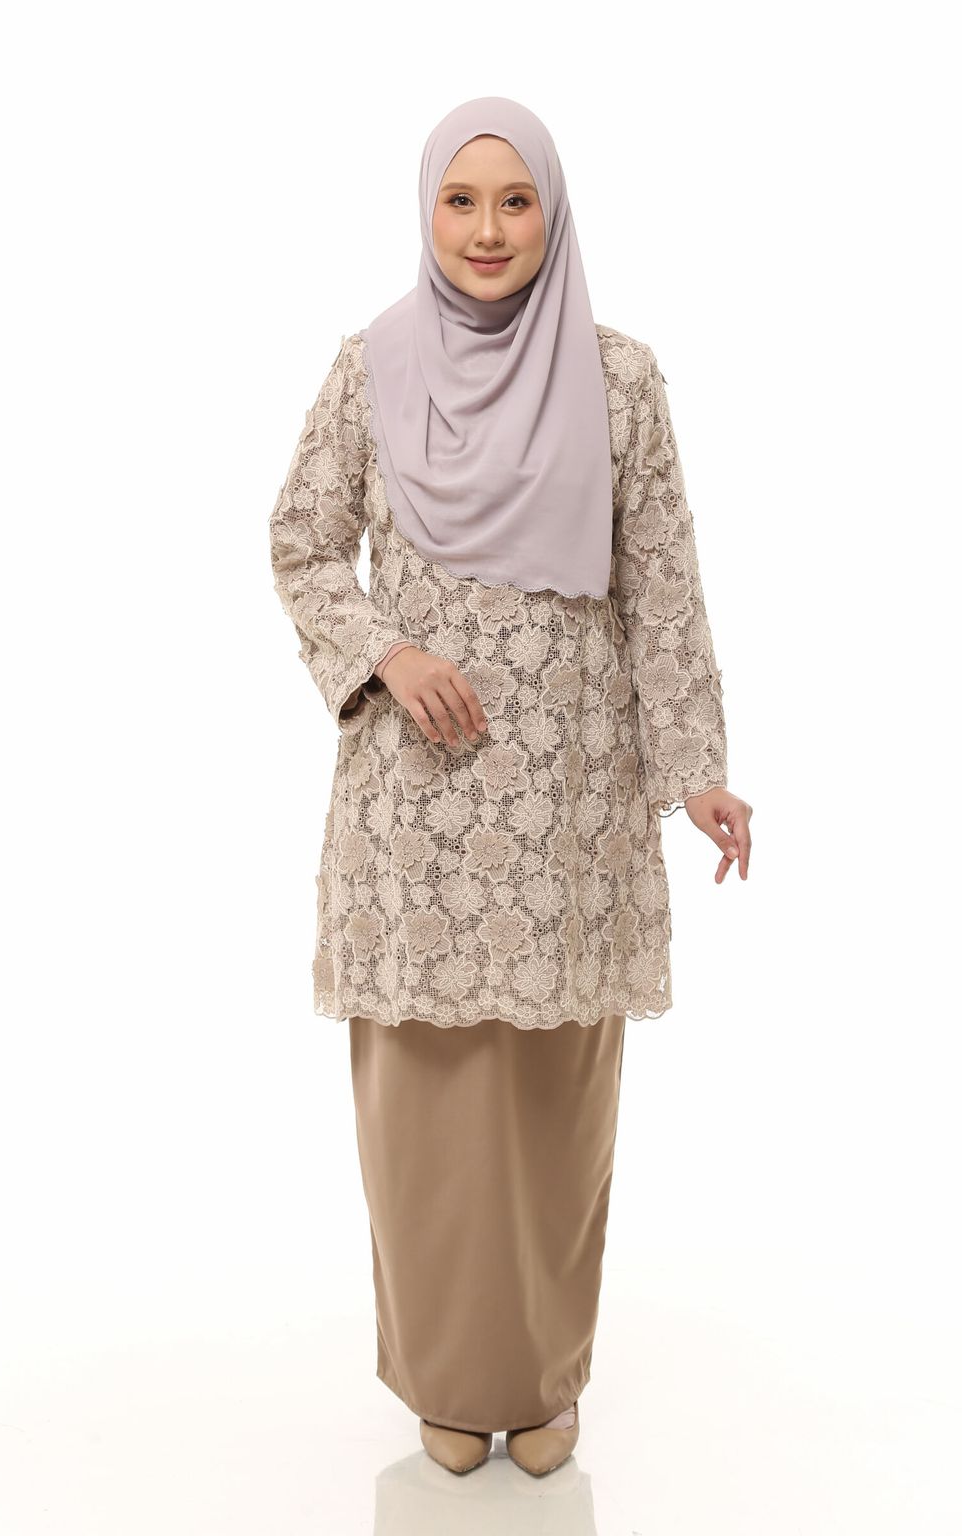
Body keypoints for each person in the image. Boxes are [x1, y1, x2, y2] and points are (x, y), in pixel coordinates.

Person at [268, 96, 753, 1477]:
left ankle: (539, 1381)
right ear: (428, 212)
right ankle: (443, 1373)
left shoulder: (621, 378)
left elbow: (663, 587)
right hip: (418, 808)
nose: (488, 230)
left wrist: (699, 771)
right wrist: (387, 651)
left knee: (553, 1108)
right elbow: (301, 542)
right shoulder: (371, 369)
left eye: (516, 201)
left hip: (572, 809)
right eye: (461, 201)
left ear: (553, 213)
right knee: (424, 1112)